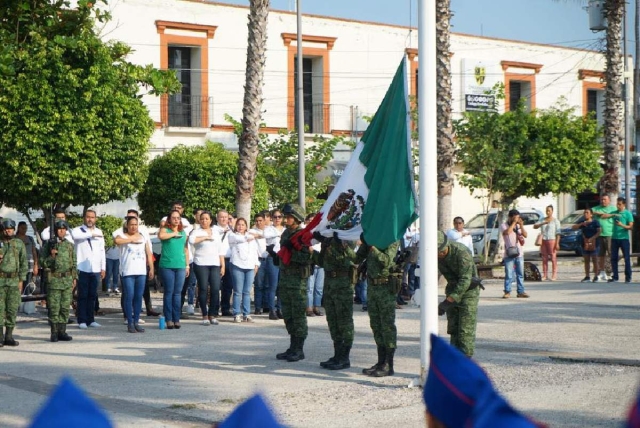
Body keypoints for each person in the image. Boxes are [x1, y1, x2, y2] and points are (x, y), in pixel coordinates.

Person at [275, 203, 315, 362]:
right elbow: (283, 256)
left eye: (289, 217)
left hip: (298, 281)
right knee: (288, 314)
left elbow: (306, 258)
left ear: (297, 218)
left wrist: (291, 252)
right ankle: (292, 346)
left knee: (298, 315)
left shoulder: (302, 235)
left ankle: (299, 348)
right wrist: (276, 256)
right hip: (285, 279)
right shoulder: (286, 233)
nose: (286, 219)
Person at [356, 234, 400, 377]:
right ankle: (381, 361)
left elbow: (386, 261)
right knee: (376, 325)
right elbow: (356, 258)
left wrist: (373, 248)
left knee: (387, 326)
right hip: (373, 287)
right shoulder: (372, 237)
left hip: (385, 287)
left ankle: (389, 364)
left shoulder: (392, 237)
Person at [314, 232, 357, 370]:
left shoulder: (347, 237)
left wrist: (337, 244)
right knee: (333, 321)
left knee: (344, 321)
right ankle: (337, 354)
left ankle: (345, 357)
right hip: (330, 284)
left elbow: (350, 259)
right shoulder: (329, 241)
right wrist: (323, 245)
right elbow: (321, 262)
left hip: (343, 284)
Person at [436, 231, 480, 357]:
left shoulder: (461, 252)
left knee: (465, 332)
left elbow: (465, 280)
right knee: (453, 329)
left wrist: (448, 301)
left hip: (468, 292)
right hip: (452, 290)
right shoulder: (435, 256)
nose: (439, 255)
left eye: (441, 252)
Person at [116, 216, 154, 333]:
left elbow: (148, 253)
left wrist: (151, 268)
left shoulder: (142, 237)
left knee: (138, 297)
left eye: (135, 224)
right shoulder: (122, 236)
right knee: (129, 295)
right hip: (127, 271)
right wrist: (130, 240)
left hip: (141, 271)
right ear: (127, 225)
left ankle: (136, 321)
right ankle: (129, 321)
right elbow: (117, 241)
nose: (133, 227)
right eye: (131, 224)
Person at [41, 220, 75, 343]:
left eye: (64, 229)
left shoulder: (69, 245)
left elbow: (74, 263)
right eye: (59, 229)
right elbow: (43, 263)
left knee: (65, 307)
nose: (61, 231)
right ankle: (54, 332)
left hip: (66, 280)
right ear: (55, 230)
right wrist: (52, 256)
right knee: (54, 308)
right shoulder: (48, 245)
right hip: (54, 280)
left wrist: (74, 278)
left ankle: (62, 331)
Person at [72, 210, 106, 329]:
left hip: (95, 268)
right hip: (82, 268)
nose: (90, 219)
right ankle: (81, 319)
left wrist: (103, 267)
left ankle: (91, 319)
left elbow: (102, 251)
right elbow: (74, 236)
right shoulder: (78, 230)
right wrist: (91, 235)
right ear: (84, 218)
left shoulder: (99, 232)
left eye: (92, 217)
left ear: (95, 219)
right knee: (83, 295)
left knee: (93, 295)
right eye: (88, 217)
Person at [189, 210, 224, 325]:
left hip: (214, 263)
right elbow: (191, 241)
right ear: (199, 220)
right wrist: (204, 237)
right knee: (203, 288)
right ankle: (204, 314)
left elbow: (220, 250)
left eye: (207, 219)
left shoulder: (215, 232)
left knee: (215, 289)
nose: (204, 221)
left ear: (210, 220)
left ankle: (212, 314)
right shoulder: (196, 231)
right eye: (202, 218)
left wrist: (222, 265)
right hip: (200, 263)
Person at [158, 209, 189, 329]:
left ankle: (177, 319)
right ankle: (168, 319)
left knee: (178, 293)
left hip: (180, 265)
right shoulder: (165, 229)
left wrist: (187, 265)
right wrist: (173, 234)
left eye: (178, 218)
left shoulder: (183, 232)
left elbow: (185, 249)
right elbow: (161, 236)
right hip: (167, 265)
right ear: (169, 219)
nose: (176, 219)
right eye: (174, 217)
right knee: (169, 292)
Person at [0, 219, 28, 347]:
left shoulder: (18, 243)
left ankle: (9, 336)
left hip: (14, 280)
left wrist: (21, 280)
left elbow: (23, 263)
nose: (8, 231)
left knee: (12, 309)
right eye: (6, 229)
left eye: (10, 229)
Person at [228, 218, 261, 323]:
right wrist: (251, 236)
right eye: (239, 224)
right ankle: (237, 313)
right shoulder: (232, 235)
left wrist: (256, 264)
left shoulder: (251, 237)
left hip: (250, 266)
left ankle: (246, 313)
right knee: (238, 291)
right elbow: (241, 239)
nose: (241, 227)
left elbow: (254, 251)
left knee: (247, 291)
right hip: (237, 265)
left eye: (243, 225)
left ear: (246, 226)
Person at [501, 209, 529, 299]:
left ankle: (520, 292)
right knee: (509, 274)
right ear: (510, 217)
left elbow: (525, 235)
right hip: (509, 254)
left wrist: (521, 225)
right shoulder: (503, 225)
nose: (517, 219)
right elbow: (507, 232)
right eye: (515, 217)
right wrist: (513, 223)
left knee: (520, 274)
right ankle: (507, 291)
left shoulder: (518, 226)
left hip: (519, 253)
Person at [605, 197, 634, 283]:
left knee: (626, 258)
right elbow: (604, 216)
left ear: (624, 204)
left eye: (620, 204)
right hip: (614, 238)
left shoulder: (628, 214)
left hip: (624, 239)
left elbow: (631, 226)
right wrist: (612, 215)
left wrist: (622, 225)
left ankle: (628, 277)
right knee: (613, 258)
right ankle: (615, 277)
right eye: (617, 204)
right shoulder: (615, 213)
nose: (618, 206)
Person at [263, 209, 285, 320]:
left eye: (279, 217)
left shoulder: (285, 229)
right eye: (275, 217)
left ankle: (279, 308)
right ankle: (271, 310)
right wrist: (279, 235)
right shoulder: (268, 229)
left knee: (281, 286)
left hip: (284, 258)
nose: (277, 219)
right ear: (271, 218)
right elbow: (266, 235)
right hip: (273, 257)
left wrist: (278, 235)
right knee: (273, 286)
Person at [572, 207, 601, 283]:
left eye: (587, 213)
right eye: (585, 213)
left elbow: (599, 231)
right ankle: (587, 276)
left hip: (594, 243)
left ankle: (596, 276)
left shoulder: (595, 222)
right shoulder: (582, 221)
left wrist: (592, 238)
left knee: (595, 260)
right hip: (585, 243)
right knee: (586, 260)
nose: (585, 214)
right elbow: (573, 227)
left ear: (591, 214)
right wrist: (581, 224)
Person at [533, 205, 561, 281]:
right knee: (544, 258)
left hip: (552, 240)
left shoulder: (556, 221)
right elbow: (535, 226)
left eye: (549, 210)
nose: (548, 212)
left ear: (552, 211)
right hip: (544, 240)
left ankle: (554, 274)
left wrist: (557, 243)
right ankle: (545, 275)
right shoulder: (542, 219)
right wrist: (543, 223)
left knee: (553, 258)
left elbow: (558, 233)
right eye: (547, 210)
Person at [592, 194, 616, 281]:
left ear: (609, 200)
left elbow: (618, 215)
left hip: (609, 234)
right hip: (599, 235)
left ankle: (612, 272)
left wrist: (609, 215)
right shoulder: (597, 208)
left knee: (611, 253)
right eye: (602, 199)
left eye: (605, 199)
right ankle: (602, 272)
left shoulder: (613, 209)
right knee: (600, 254)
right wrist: (601, 213)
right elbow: (591, 211)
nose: (603, 201)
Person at [215, 210, 234, 317]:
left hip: (229, 260)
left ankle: (225, 308)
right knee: (216, 286)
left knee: (228, 286)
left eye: (226, 217)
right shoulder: (214, 230)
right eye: (221, 217)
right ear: (217, 218)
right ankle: (215, 308)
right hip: (217, 260)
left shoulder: (232, 230)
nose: (224, 219)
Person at [306, 213, 325, 317]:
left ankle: (316, 307)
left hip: (320, 262)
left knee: (319, 287)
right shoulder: (306, 232)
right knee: (310, 287)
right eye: (310, 220)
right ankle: (308, 308)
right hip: (311, 262)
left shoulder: (321, 232)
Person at [251, 213, 269, 315]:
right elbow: (251, 235)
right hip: (259, 260)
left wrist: (261, 235)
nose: (258, 223)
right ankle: (258, 307)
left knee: (267, 284)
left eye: (260, 220)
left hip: (269, 259)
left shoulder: (269, 229)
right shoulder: (252, 231)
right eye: (257, 221)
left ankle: (266, 306)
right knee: (258, 285)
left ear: (265, 220)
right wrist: (260, 235)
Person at [15, 221, 38, 287]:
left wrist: (35, 265)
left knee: (28, 283)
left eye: (25, 228)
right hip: (18, 264)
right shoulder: (14, 238)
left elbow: (34, 251)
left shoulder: (30, 238)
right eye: (22, 228)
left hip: (29, 263)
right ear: (18, 228)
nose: (24, 230)